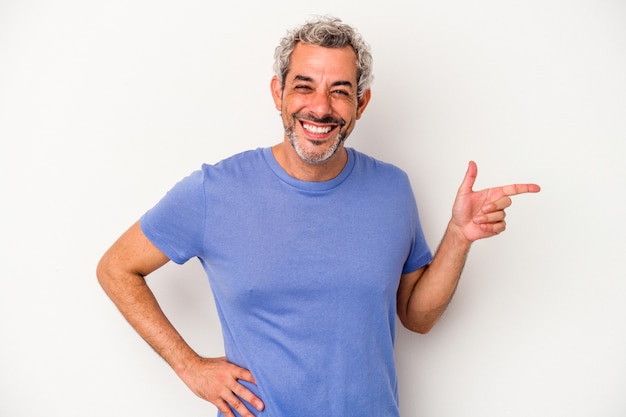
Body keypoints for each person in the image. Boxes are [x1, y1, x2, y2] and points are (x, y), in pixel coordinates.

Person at [97, 15, 540, 417]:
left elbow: (416, 316)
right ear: (279, 93)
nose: (321, 108)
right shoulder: (215, 191)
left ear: (361, 104)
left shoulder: (392, 189)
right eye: (304, 86)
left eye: (340, 91)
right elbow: (117, 267)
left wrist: (459, 236)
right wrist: (189, 366)